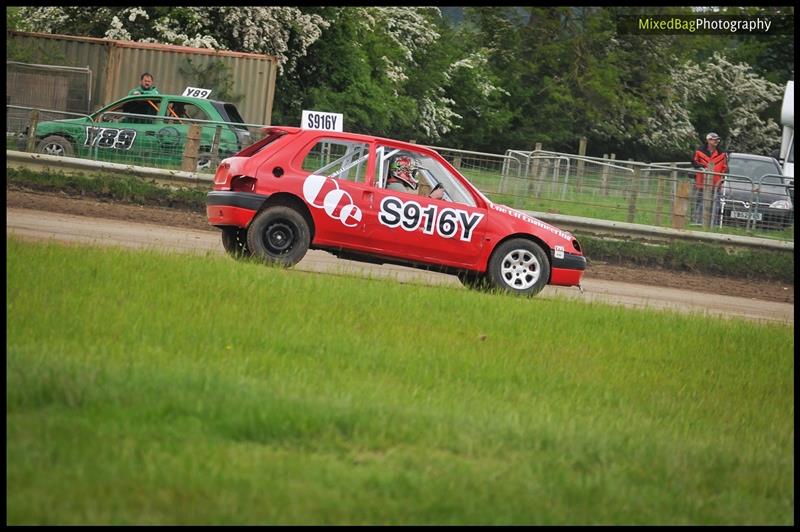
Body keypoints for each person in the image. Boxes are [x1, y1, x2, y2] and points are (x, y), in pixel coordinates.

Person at [691, 132, 728, 225]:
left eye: (717, 139)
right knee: (699, 203)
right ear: (708, 140)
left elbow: (725, 167)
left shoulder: (722, 154)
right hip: (701, 183)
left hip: (716, 184)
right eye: (714, 139)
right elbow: (694, 162)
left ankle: (713, 224)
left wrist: (722, 180)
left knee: (716, 204)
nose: (716, 141)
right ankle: (697, 223)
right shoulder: (699, 151)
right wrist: (703, 167)